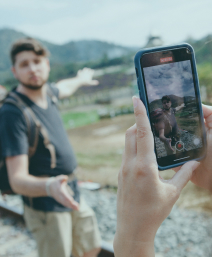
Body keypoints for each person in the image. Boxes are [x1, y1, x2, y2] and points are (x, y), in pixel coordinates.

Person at [0, 38, 101, 257]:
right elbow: (17, 179)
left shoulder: (48, 93)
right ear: (14, 71)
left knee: (90, 247)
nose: (33, 68)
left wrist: (81, 79)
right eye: (24, 64)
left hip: (71, 190)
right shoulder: (12, 113)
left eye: (37, 61)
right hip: (45, 203)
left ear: (47, 65)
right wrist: (50, 187)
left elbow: (64, 87)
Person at [114, 96, 212, 257]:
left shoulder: (171, 110)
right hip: (169, 136)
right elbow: (160, 134)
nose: (167, 104)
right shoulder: (160, 115)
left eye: (168, 102)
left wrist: (133, 241)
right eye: (165, 102)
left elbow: (177, 110)